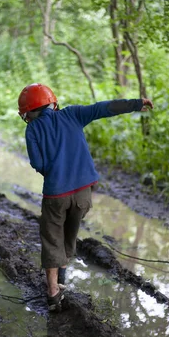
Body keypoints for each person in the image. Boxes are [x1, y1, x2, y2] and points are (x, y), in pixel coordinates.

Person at [18, 83, 153, 312]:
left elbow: (37, 163)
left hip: (55, 194)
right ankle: (62, 278)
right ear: (53, 102)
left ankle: (53, 293)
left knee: (52, 239)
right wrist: (136, 104)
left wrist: (53, 170)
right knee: (69, 237)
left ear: (28, 112)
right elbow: (104, 108)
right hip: (83, 194)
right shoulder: (73, 114)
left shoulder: (32, 130)